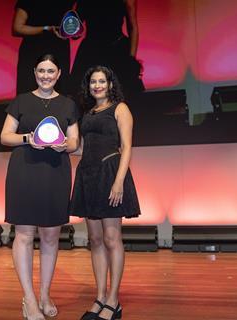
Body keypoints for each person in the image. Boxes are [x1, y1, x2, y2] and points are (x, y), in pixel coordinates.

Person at [0, 54, 80, 320]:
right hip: (24, 171)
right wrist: (27, 138)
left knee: (50, 236)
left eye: (51, 71)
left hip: (55, 171)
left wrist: (64, 146)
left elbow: (74, 142)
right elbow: (4, 136)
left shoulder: (68, 104)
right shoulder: (21, 101)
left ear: (58, 74)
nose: (46, 75)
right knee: (23, 235)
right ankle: (29, 298)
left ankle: (45, 294)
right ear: (35, 72)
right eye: (41, 70)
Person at [70, 66, 141, 320]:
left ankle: (113, 300)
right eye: (93, 82)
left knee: (112, 239)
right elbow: (80, 149)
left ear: (110, 84)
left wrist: (119, 181)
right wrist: (54, 145)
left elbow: (127, 147)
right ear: (88, 86)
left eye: (102, 81)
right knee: (96, 241)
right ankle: (100, 297)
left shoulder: (120, 108)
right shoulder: (87, 114)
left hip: (110, 173)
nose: (97, 85)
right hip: (87, 175)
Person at [70, 0, 144, 100]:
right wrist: (70, 28)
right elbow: (75, 32)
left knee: (120, 98)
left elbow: (133, 27)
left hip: (116, 51)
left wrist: (131, 60)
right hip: (91, 51)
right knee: (82, 98)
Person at [12, 0, 75, 95]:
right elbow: (17, 28)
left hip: (59, 51)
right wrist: (46, 29)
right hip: (34, 51)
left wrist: (74, 31)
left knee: (58, 94)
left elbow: (72, 21)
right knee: (30, 93)